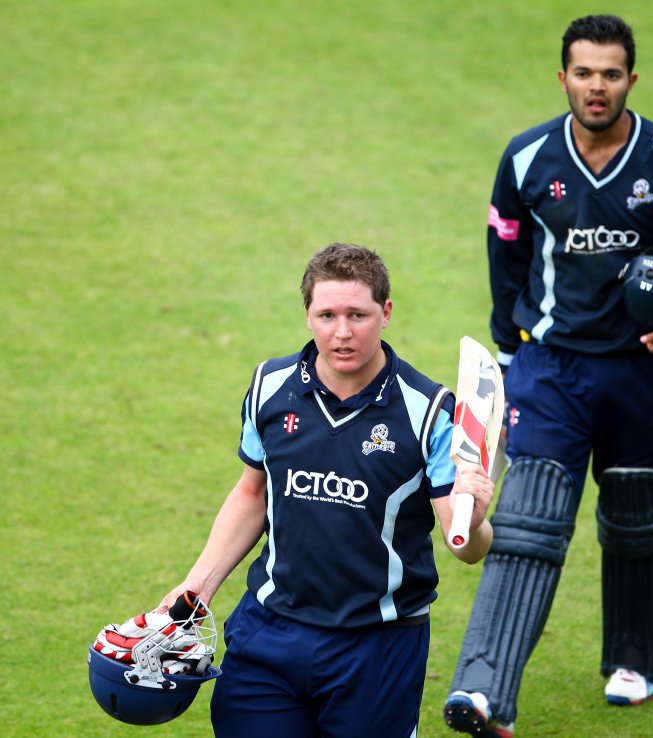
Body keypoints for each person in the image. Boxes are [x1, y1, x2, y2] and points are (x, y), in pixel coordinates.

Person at [443, 14, 653, 737]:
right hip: (551, 369)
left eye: (611, 73)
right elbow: (507, 256)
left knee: (636, 521)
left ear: (631, 80)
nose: (597, 86)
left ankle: (637, 661)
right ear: (563, 77)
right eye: (584, 72)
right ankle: (484, 690)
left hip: (644, 373)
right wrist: (506, 352)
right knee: (528, 522)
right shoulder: (527, 160)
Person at [161, 243, 496, 737]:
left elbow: (465, 547)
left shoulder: (427, 413)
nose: (342, 333)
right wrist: (197, 588)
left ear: (386, 313)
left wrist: (478, 514)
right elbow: (253, 494)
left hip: (377, 647)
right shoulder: (269, 387)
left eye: (357, 315)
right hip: (270, 634)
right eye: (328, 315)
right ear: (307, 315)